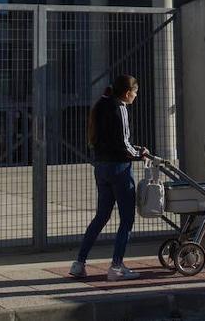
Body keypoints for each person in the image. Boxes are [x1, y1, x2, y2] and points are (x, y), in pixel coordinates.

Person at [69, 75, 147, 281]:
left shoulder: (100, 106)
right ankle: (117, 266)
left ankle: (79, 263)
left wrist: (134, 149)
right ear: (127, 92)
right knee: (127, 219)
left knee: (101, 216)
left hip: (101, 167)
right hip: (119, 168)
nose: (136, 96)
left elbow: (110, 140)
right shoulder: (119, 107)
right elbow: (123, 141)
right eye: (135, 93)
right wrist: (140, 154)